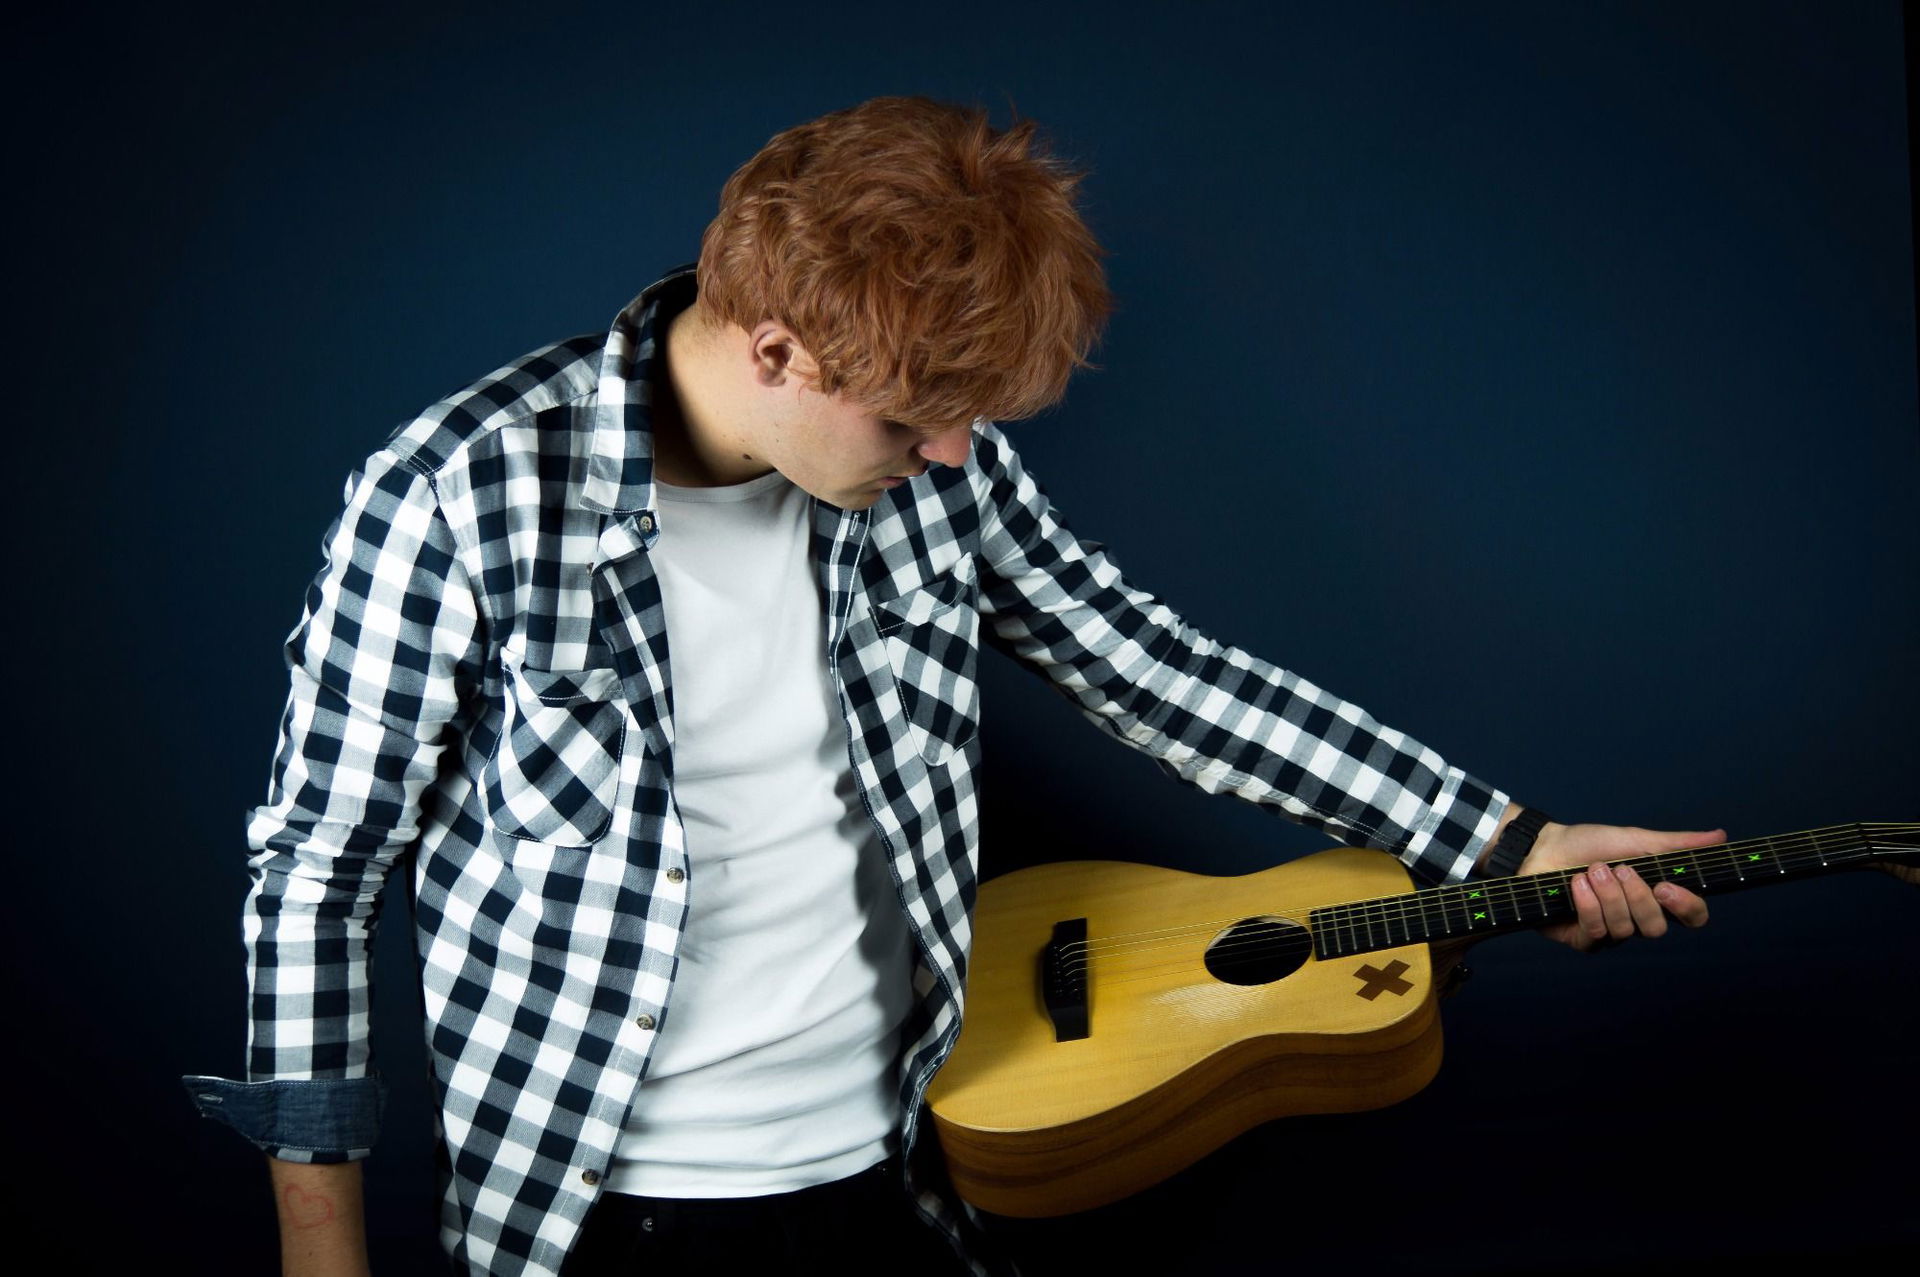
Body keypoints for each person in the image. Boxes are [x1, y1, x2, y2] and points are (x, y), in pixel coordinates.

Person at [184, 96, 1721, 1277]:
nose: (954, 454)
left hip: (908, 1171)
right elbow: (317, 873)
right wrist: (325, 1263)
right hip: (595, 1215)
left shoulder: (931, 471)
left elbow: (1155, 668)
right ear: (777, 349)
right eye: (918, 417)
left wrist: (1505, 840)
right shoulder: (461, 495)